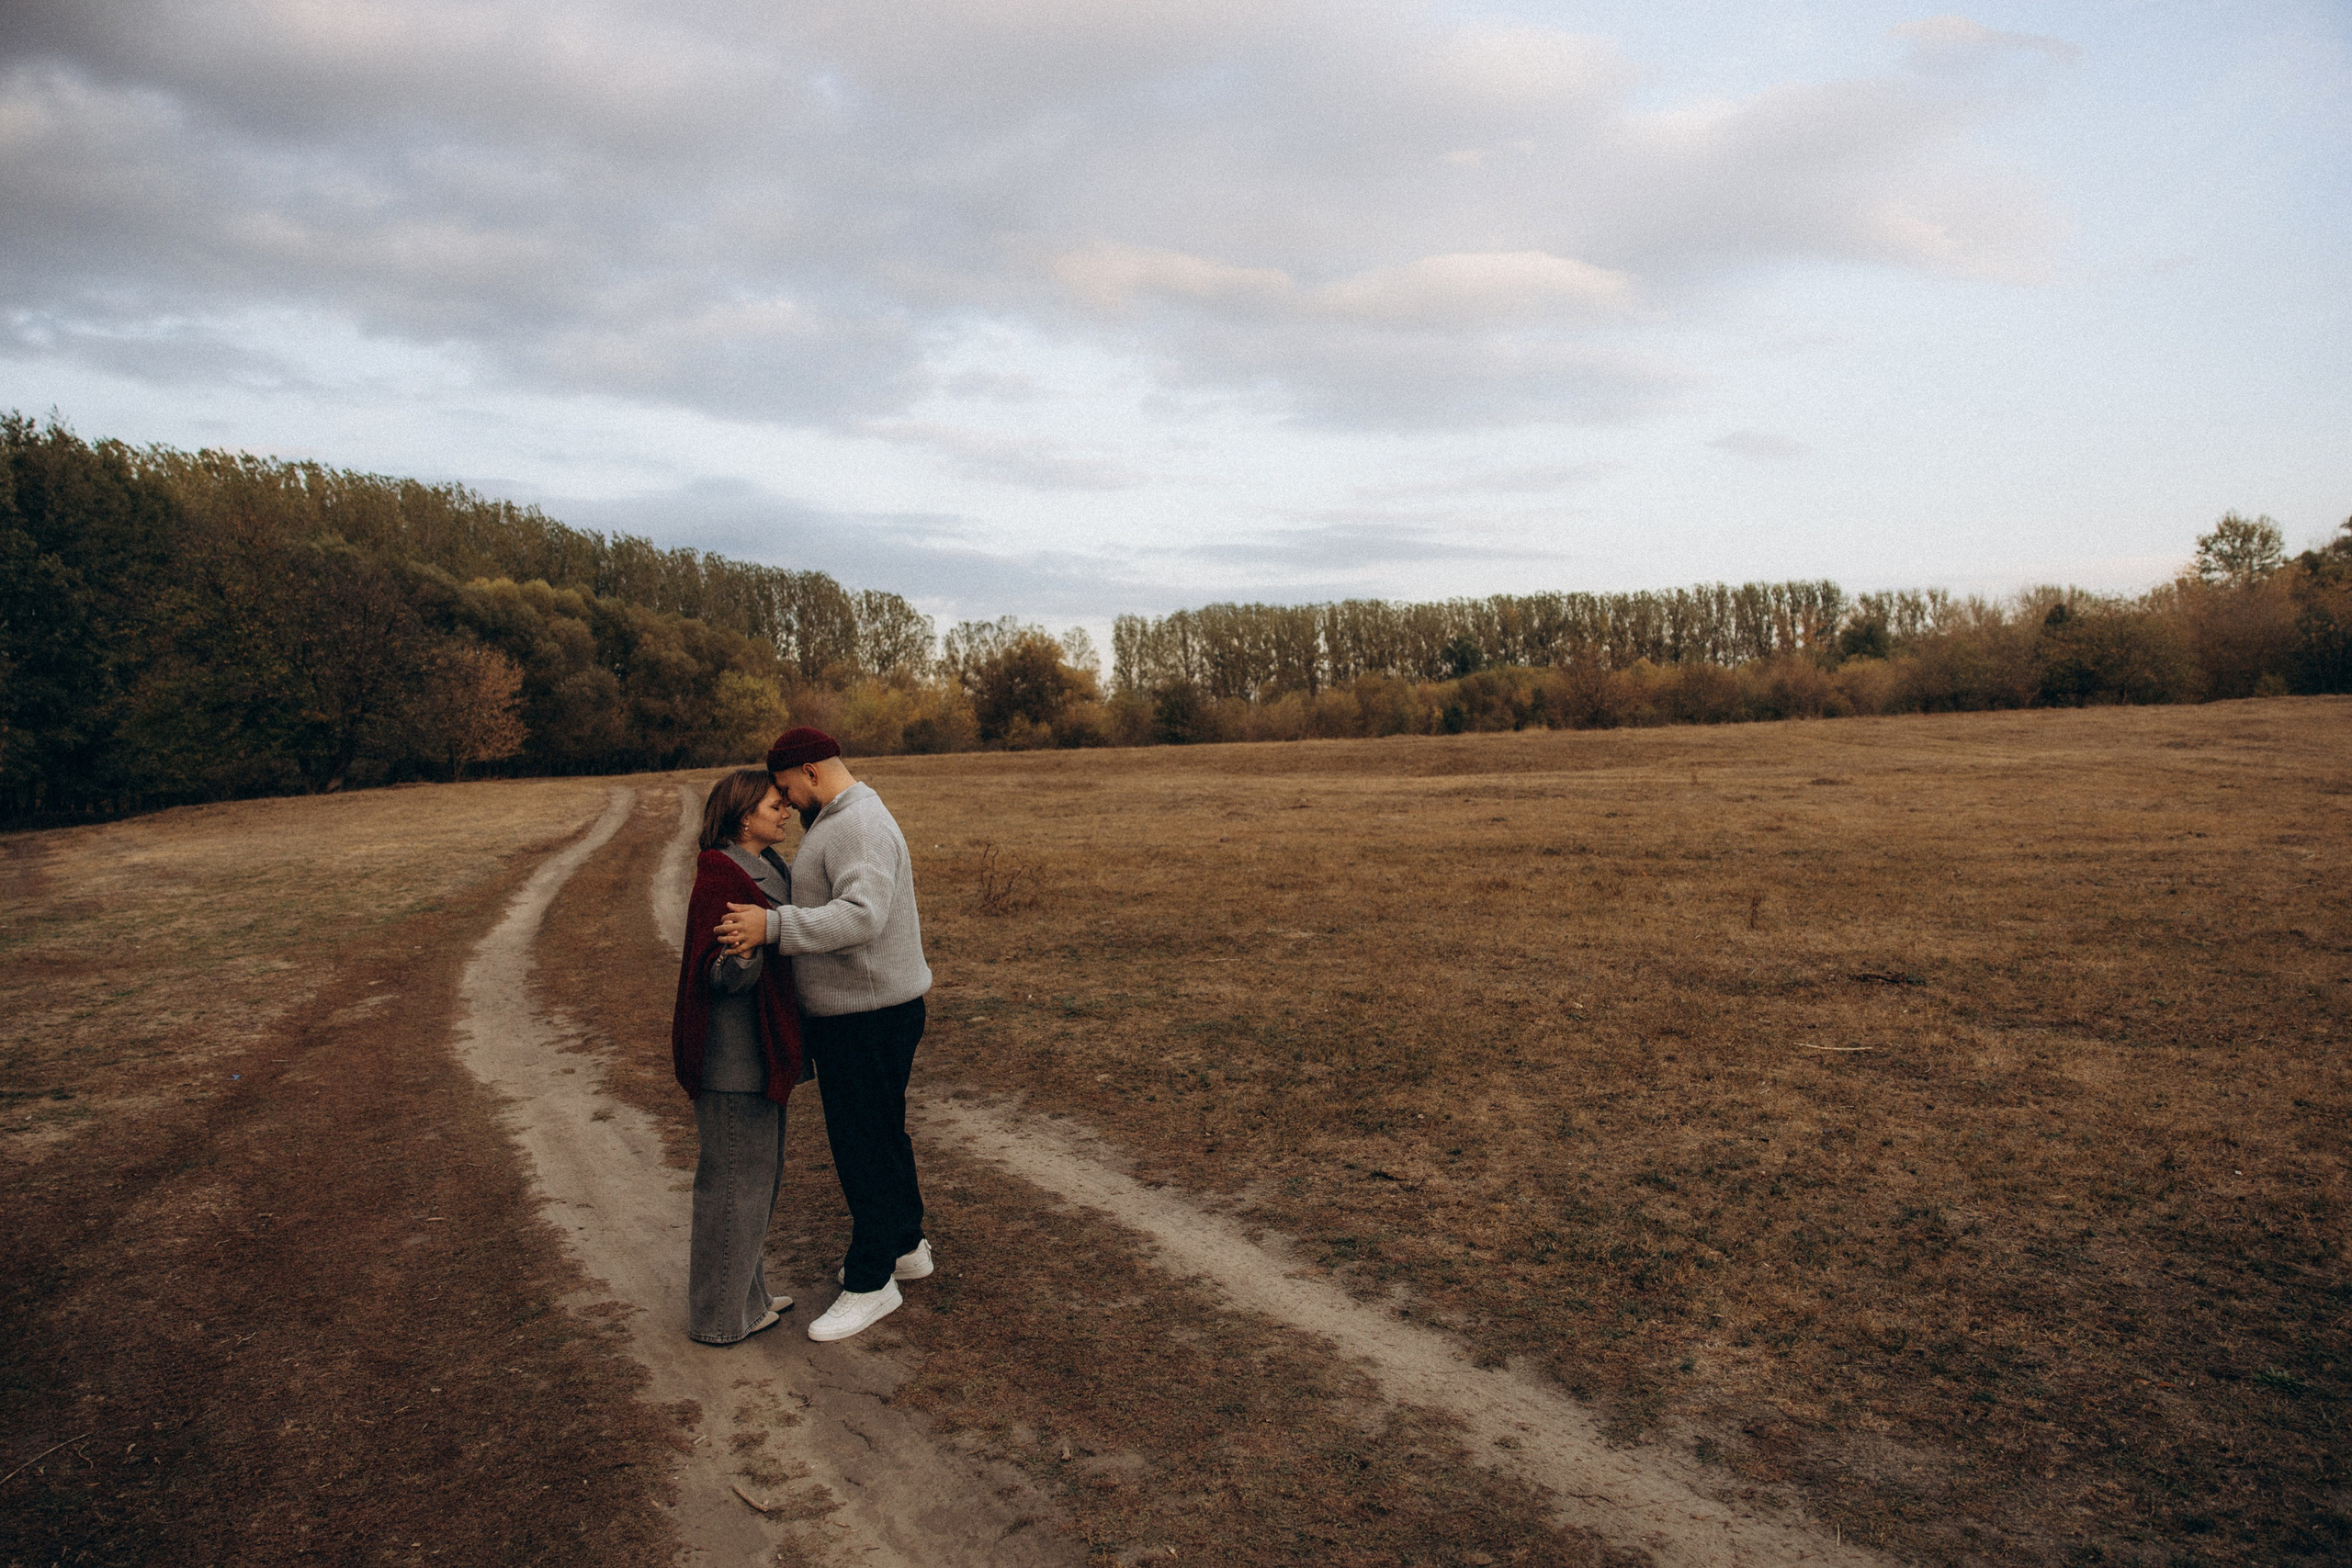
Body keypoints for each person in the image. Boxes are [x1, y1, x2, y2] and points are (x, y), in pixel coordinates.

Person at [716, 727, 933, 1344]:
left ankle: (871, 1282)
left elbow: (863, 916)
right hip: (871, 1009)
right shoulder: (844, 818)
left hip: (867, 1016)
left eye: (786, 788)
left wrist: (773, 926)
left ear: (811, 772)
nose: (785, 802)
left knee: (862, 1146)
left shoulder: (855, 825)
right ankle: (905, 1245)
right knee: (882, 1133)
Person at [671, 768, 805, 1346]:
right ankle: (718, 1320)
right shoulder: (719, 875)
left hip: (762, 1052)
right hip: (733, 1059)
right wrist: (745, 954)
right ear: (744, 816)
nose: (786, 811)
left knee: (757, 1182)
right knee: (731, 1188)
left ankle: (749, 1297)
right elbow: (717, 976)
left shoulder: (768, 867)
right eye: (776, 805)